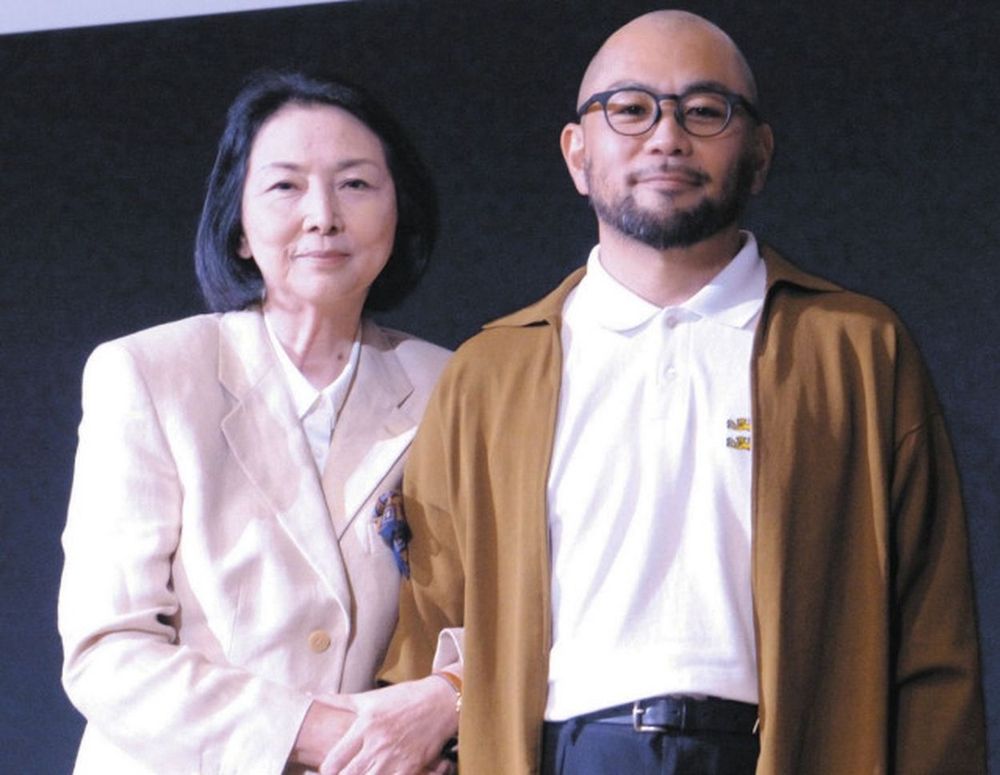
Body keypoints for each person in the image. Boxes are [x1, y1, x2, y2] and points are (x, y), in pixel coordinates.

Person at [380, 10, 986, 775]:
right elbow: (431, 628)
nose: (666, 137)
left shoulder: (856, 348)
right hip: (561, 749)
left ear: (759, 153)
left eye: (705, 110)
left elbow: (935, 641)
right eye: (630, 110)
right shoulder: (488, 372)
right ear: (577, 153)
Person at [58, 71, 459, 774]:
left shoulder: (451, 385)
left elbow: (497, 608)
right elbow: (106, 650)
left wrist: (446, 700)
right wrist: (333, 737)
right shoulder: (148, 373)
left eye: (356, 184)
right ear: (239, 225)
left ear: (401, 213)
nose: (323, 215)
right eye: (285, 186)